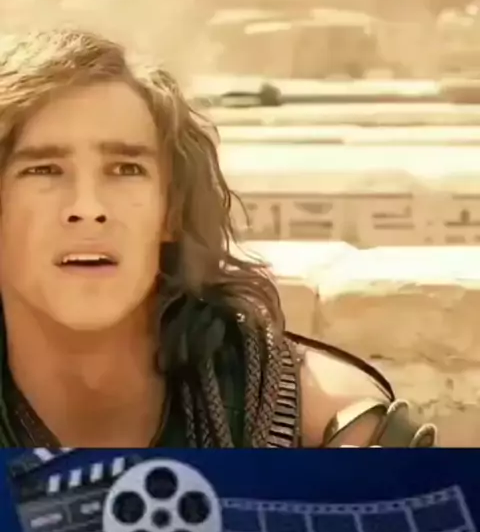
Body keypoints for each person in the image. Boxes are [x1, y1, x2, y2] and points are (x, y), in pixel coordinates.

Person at [0, 29, 436, 449]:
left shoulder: (328, 426)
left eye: (126, 170)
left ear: (171, 211)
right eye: (43, 170)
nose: (87, 207)